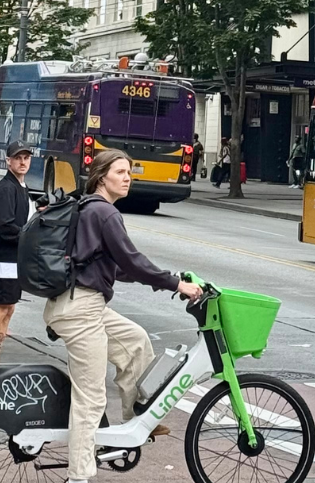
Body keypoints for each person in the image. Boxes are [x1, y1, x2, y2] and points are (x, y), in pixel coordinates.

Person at [45, 149, 203, 483]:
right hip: (80, 310)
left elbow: (114, 267)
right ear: (102, 177)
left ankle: (137, 416)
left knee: (135, 342)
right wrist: (175, 283)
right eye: (120, 172)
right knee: (90, 398)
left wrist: (168, 279)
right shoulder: (104, 213)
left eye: (129, 172)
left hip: (83, 305)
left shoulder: (90, 208)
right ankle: (78, 476)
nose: (127, 177)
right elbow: (132, 261)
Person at [0, 140, 33, 381]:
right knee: (0, 308)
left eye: (26, 157)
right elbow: (4, 225)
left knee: (8, 308)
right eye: (18, 158)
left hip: (15, 256)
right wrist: (29, 237)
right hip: (5, 256)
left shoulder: (20, 186)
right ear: (8, 160)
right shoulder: (6, 188)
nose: (22, 162)